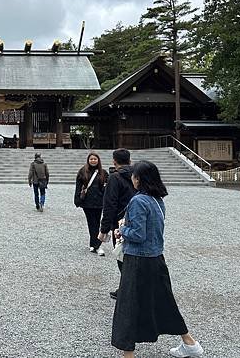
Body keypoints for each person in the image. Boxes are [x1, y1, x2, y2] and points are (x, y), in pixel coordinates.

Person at [111, 160, 203, 358]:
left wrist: (121, 230)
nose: (132, 179)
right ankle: (190, 342)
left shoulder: (138, 200)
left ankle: (128, 355)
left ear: (139, 179)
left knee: (128, 305)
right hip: (156, 258)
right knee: (164, 302)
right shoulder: (157, 200)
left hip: (137, 260)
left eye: (134, 176)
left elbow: (137, 234)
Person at [99, 148, 136, 300]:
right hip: (137, 220)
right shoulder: (138, 175)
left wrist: (104, 228)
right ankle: (131, 288)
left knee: (122, 256)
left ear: (114, 161)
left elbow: (110, 204)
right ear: (130, 160)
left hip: (119, 223)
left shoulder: (115, 177)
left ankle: (127, 290)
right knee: (134, 255)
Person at [74, 152, 108, 256]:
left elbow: (106, 188)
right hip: (87, 202)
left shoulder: (103, 173)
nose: (93, 161)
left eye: (95, 159)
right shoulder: (83, 171)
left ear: (98, 160)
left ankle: (95, 245)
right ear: (88, 160)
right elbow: (78, 187)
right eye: (91, 159)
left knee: (97, 223)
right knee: (91, 223)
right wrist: (77, 199)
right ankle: (95, 244)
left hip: (98, 201)